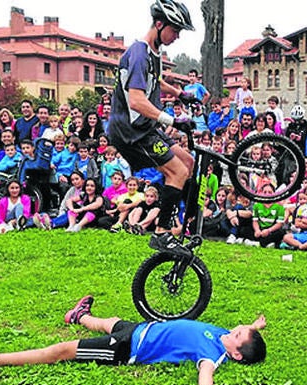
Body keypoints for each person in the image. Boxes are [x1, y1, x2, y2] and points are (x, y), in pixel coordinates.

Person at [0, 295, 267, 384]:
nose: (235, 328)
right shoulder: (224, 336)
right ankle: (78, 316)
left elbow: (205, 376)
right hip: (138, 329)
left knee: (62, 350)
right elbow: (244, 333)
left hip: (129, 348)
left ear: (236, 355)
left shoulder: (212, 355)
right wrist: (254, 326)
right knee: (107, 322)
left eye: (239, 334)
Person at [108, 0, 196, 257]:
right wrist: (171, 120)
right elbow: (136, 99)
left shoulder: (152, 53)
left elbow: (154, 80)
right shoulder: (138, 53)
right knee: (177, 171)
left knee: (187, 162)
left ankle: (184, 222)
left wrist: (180, 93)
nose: (177, 36)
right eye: (175, 30)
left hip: (144, 128)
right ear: (159, 24)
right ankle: (161, 232)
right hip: (131, 131)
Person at [280, 186, 307, 251]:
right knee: (286, 237)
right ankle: (302, 246)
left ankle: (300, 246)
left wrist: (303, 220)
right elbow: (297, 224)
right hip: (302, 234)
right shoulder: (300, 208)